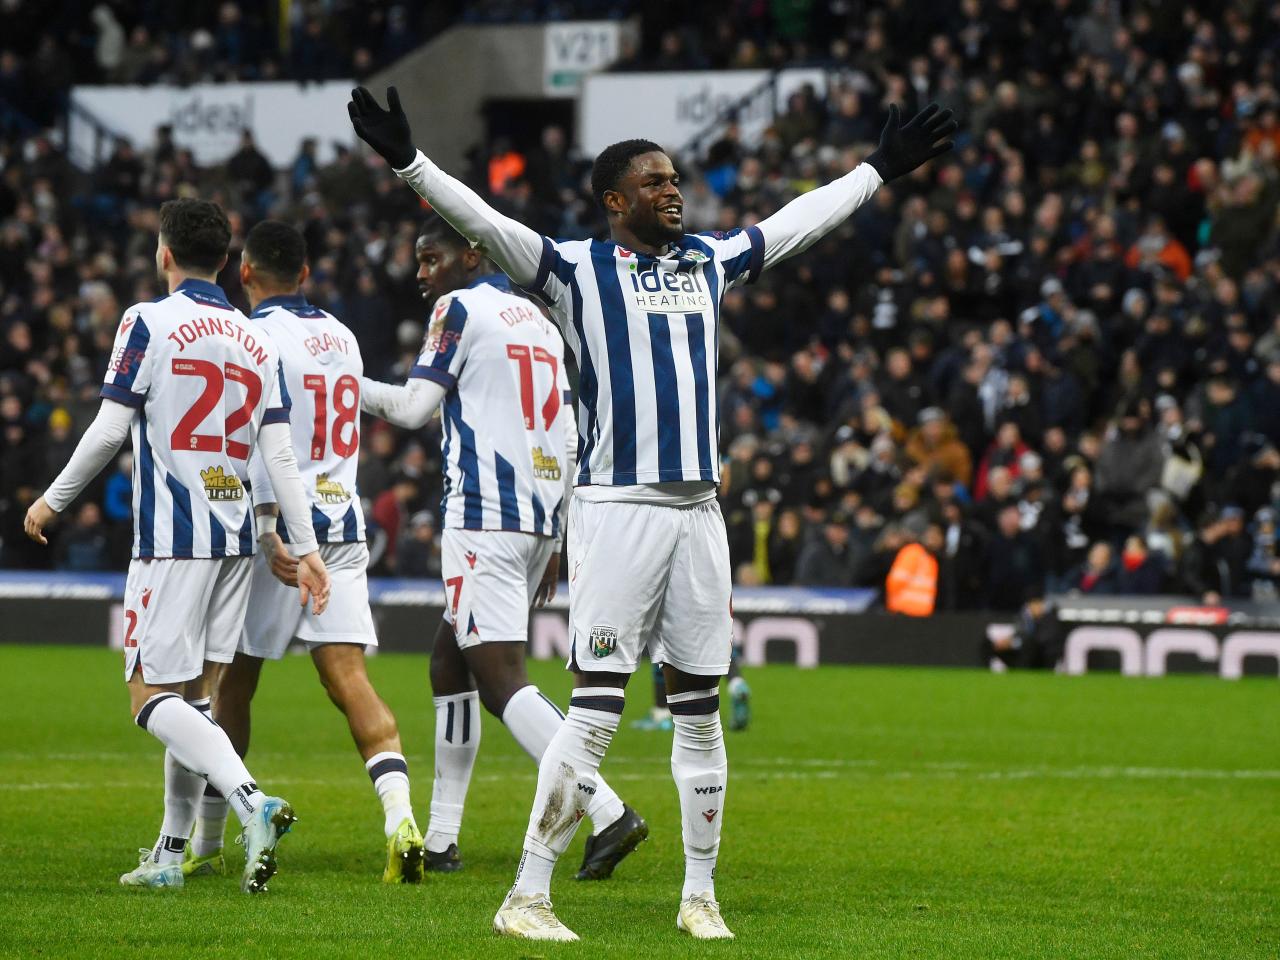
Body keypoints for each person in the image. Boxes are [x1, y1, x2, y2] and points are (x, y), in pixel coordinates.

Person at [348, 84, 954, 941]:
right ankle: (526, 896)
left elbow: (796, 221)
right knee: (596, 705)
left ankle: (699, 896)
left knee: (699, 707)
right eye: (654, 181)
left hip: (700, 512)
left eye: (675, 178)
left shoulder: (707, 261)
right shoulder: (572, 270)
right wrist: (408, 160)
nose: (673, 190)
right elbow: (482, 222)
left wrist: (878, 169)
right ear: (614, 201)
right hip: (617, 509)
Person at [23, 198, 330, 892]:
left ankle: (254, 802)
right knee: (194, 699)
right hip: (234, 542)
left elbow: (108, 429)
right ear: (225, 260)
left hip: (172, 539)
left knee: (147, 696)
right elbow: (279, 455)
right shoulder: (259, 339)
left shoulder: (147, 321)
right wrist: (297, 543)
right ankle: (169, 853)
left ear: (164, 254)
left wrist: (52, 499)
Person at [358, 213, 647, 879]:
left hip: (485, 514)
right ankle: (441, 839)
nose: (423, 274)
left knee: (499, 677)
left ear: (472, 254)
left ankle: (607, 810)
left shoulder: (458, 311)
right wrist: (559, 531)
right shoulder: (536, 320)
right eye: (419, 262)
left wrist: (343, 386)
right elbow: (569, 431)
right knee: (449, 662)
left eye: (433, 259)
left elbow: (411, 409)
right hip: (537, 516)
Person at [184, 220, 426, 885]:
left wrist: (268, 532)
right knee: (349, 679)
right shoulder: (341, 336)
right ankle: (400, 819)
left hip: (282, 533)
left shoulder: (254, 337)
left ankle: (208, 840)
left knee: (232, 681)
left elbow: (267, 443)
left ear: (245, 273)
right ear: (307, 275)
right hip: (343, 527)